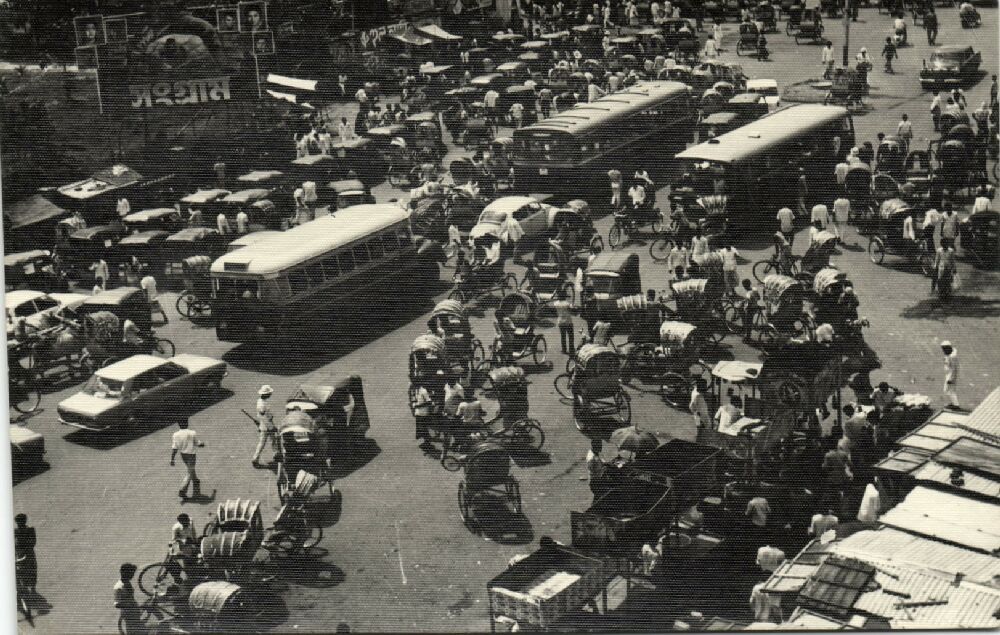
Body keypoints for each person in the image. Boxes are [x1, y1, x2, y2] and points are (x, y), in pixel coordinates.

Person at [170, 419, 203, 500]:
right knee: (189, 472)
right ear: (187, 423)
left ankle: (195, 480)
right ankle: (182, 490)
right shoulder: (192, 432)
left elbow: (174, 448)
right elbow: (197, 443)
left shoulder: (175, 435)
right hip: (191, 455)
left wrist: (172, 459)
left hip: (183, 455)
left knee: (190, 469)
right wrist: (201, 444)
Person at [251, 385, 277, 468]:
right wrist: (271, 427)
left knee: (271, 441)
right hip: (267, 425)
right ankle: (276, 456)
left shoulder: (261, 401)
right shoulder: (262, 404)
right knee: (268, 441)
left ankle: (256, 458)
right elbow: (263, 417)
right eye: (269, 393)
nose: (270, 394)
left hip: (266, 424)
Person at [14, 514, 37, 596]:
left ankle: (32, 588)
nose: (20, 523)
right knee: (21, 570)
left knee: (32, 570)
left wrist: (21, 546)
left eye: (21, 521)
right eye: (18, 522)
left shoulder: (30, 530)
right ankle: (24, 587)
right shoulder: (15, 531)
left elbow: (33, 542)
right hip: (20, 553)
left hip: (28, 553)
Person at [114, 564, 141, 634]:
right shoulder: (118, 587)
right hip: (128, 613)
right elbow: (117, 604)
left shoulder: (127, 582)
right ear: (123, 573)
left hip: (134, 611)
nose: (132, 576)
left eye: (132, 574)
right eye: (130, 574)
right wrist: (130, 606)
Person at [553, 288, 575, 354]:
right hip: (568, 321)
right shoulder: (567, 304)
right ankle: (571, 349)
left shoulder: (555, 303)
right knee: (571, 336)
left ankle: (564, 349)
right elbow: (572, 310)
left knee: (563, 336)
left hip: (560, 321)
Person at [941, 341, 960, 408]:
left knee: (949, 390)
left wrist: (950, 379)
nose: (943, 351)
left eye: (944, 349)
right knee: (949, 390)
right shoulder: (950, 353)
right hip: (949, 374)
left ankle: (956, 405)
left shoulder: (952, 357)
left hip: (950, 376)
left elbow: (953, 369)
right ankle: (953, 403)